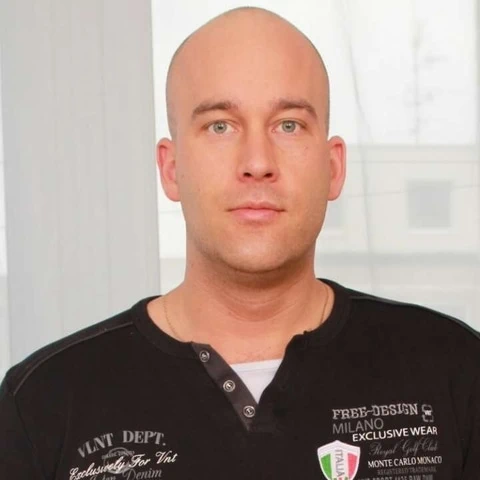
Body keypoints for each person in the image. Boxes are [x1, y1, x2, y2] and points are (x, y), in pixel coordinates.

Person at [1, 6, 479, 480]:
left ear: (333, 167)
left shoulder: (456, 371)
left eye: (288, 124)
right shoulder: (42, 404)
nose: (257, 162)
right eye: (220, 126)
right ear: (171, 169)